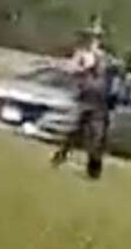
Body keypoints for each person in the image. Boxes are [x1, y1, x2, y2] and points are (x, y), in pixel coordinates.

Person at [50, 27, 119, 179]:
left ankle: (93, 171)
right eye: (95, 38)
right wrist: (82, 66)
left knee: (98, 138)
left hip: (101, 103)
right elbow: (71, 69)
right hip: (85, 98)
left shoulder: (107, 58)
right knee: (73, 132)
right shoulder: (83, 55)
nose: (98, 41)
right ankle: (60, 157)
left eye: (100, 38)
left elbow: (114, 73)